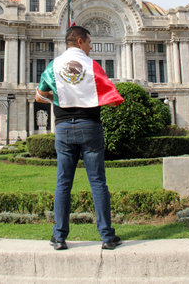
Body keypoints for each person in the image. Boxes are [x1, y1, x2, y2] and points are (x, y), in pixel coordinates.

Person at [36, 26, 124, 250]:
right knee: (98, 183)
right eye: (88, 42)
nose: (91, 47)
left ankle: (59, 237)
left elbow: (38, 95)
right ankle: (106, 236)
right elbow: (111, 96)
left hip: (63, 128)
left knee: (63, 183)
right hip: (90, 126)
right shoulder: (92, 65)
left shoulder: (53, 65)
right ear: (79, 41)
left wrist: (57, 95)